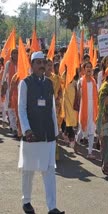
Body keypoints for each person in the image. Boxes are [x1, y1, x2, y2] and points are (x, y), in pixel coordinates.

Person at [18, 51, 64, 214]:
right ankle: (26, 201)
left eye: (43, 62)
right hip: (31, 133)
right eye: (38, 63)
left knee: (49, 169)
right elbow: (21, 108)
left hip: (48, 134)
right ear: (32, 65)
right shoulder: (25, 83)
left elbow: (52, 108)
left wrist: (56, 131)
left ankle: (52, 207)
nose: (41, 66)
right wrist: (26, 129)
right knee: (28, 170)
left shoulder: (49, 83)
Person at [76, 61, 98, 159]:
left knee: (92, 130)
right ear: (84, 70)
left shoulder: (94, 81)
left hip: (92, 109)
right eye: (87, 67)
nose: (89, 69)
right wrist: (79, 89)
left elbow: (96, 95)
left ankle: (90, 152)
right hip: (84, 108)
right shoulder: (80, 81)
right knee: (82, 130)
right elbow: (78, 96)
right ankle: (77, 141)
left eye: (90, 67)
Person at [2, 49, 18, 131]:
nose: (15, 55)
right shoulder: (8, 63)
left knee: (17, 108)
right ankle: (13, 127)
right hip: (10, 89)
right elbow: (4, 76)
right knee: (10, 107)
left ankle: (16, 126)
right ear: (11, 54)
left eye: (16, 53)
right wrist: (3, 86)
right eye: (14, 53)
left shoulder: (21, 63)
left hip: (18, 89)